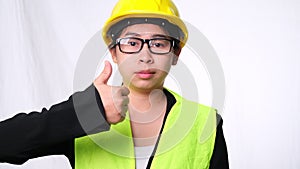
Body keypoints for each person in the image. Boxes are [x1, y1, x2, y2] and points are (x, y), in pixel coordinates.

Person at [0, 0, 229, 168]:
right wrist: (87, 111)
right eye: (131, 43)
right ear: (114, 52)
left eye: (158, 43)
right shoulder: (82, 116)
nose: (145, 56)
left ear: (176, 53)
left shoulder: (204, 123)